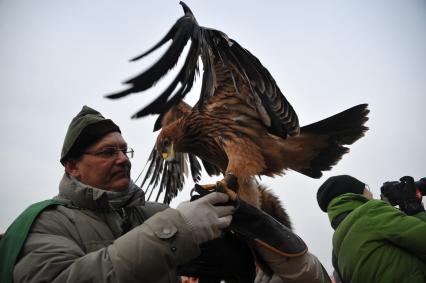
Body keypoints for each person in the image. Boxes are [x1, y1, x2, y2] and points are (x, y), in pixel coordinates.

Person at [4, 105, 235, 283]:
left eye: (125, 150)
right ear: (73, 166)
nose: (123, 159)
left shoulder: (156, 214)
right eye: (108, 152)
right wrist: (176, 230)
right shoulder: (46, 222)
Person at [317, 175, 426, 283]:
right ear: (356, 193)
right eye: (366, 188)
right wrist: (414, 207)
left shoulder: (336, 250)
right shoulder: (371, 211)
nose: (372, 193)